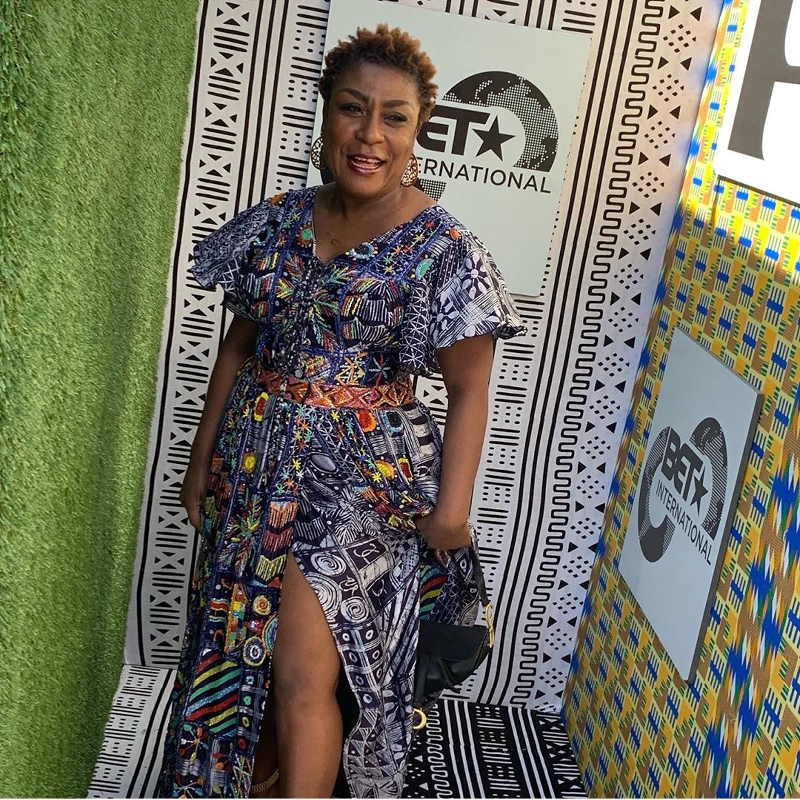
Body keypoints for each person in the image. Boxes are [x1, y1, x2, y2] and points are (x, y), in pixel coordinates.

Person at [157, 23, 525, 799]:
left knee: (302, 674)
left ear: (418, 130)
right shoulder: (280, 221)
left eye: (395, 117)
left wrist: (453, 512)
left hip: (359, 482)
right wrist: (201, 457)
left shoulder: (444, 249)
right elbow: (239, 345)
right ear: (326, 113)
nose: (370, 134)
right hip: (255, 464)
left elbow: (469, 387)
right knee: (237, 651)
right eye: (354, 109)